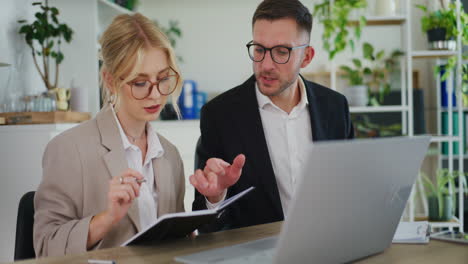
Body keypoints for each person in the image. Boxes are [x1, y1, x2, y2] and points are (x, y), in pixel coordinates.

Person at [190, 0, 354, 231]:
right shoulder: (219, 115)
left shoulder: (335, 107)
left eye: (281, 52)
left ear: (306, 56)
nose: (266, 64)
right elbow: (205, 226)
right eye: (259, 49)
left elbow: (348, 190)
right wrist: (215, 198)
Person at [34, 13, 187, 257]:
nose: (156, 95)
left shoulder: (170, 154)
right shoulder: (68, 149)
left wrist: (213, 200)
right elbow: (45, 246)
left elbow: (176, 242)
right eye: (140, 83)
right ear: (110, 80)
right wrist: (107, 219)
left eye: (163, 79)